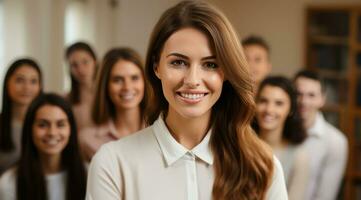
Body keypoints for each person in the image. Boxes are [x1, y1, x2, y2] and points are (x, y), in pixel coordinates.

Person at [86, 1, 287, 199]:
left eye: (210, 64)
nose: (192, 80)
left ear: (226, 72)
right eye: (178, 62)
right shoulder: (112, 163)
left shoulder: (263, 166)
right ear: (157, 66)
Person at [0, 93, 87, 200]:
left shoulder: (88, 175)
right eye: (42, 125)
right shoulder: (9, 182)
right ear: (29, 129)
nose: (52, 133)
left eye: (60, 124)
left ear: (71, 130)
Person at [79, 47, 148, 161]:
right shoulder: (87, 139)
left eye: (134, 78)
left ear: (144, 82)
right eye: (118, 80)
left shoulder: (162, 129)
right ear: (105, 86)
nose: (127, 87)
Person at [294, 70, 348, 200]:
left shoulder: (336, 141)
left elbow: (325, 196)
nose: (304, 101)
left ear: (322, 99)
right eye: (298, 94)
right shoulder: (276, 130)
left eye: (311, 95)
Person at [253, 76, 309, 200]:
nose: (269, 109)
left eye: (279, 103)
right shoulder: (239, 145)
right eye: (263, 101)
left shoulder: (299, 157)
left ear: (291, 110)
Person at [0, 58, 43, 174]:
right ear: (7, 83)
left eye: (33, 81)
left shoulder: (48, 124)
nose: (27, 87)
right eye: (19, 80)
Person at [65, 42, 98, 131]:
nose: (81, 69)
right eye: (74, 65)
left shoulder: (109, 93)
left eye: (85, 62)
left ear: (95, 61)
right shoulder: (66, 99)